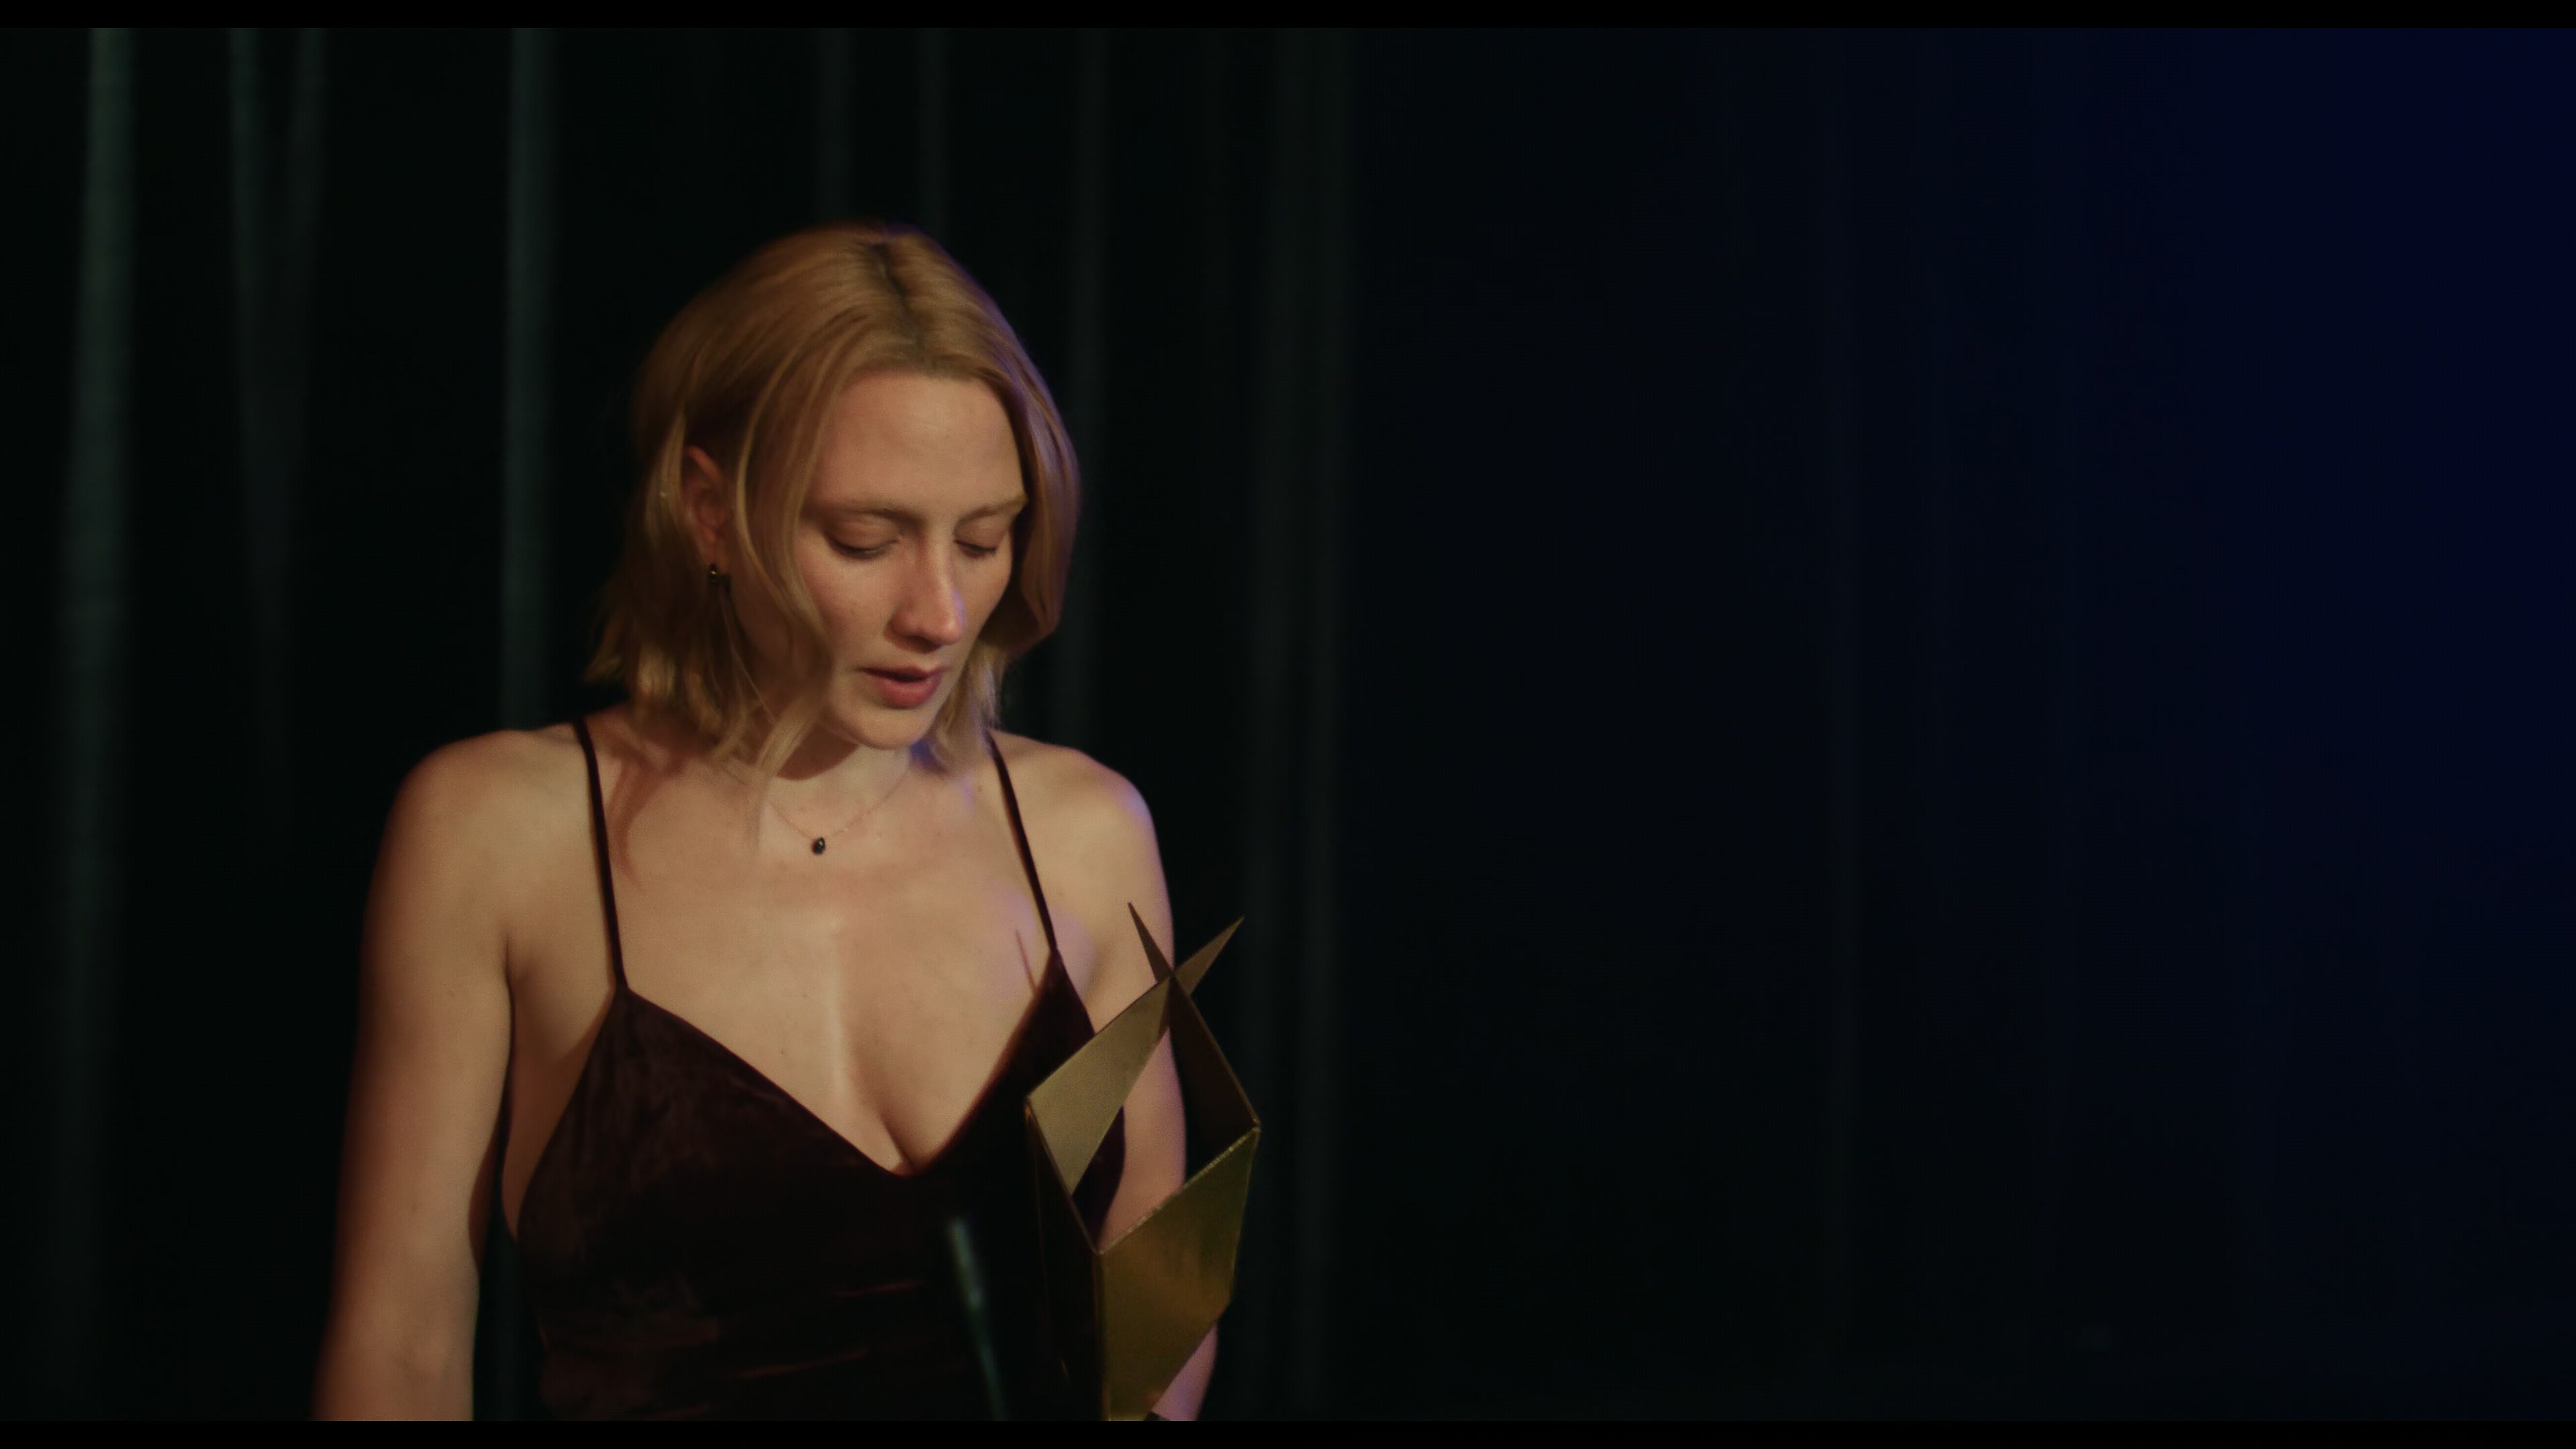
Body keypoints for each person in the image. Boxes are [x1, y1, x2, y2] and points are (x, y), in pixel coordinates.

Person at [312, 223, 1212, 1419]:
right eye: (865, 540)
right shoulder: (498, 837)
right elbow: (404, 1346)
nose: (941, 612)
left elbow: (1156, 1283)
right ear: (709, 513)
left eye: (984, 539)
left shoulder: (1088, 834)